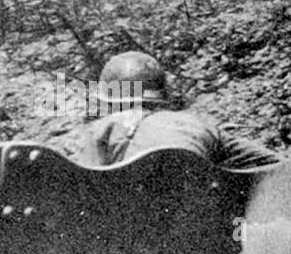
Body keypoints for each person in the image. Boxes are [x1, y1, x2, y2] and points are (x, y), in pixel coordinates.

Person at [79, 51, 280, 170]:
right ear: (161, 95)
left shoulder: (98, 132)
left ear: (111, 100)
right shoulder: (199, 123)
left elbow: (85, 189)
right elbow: (275, 165)